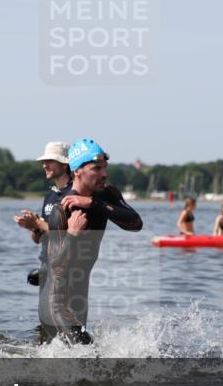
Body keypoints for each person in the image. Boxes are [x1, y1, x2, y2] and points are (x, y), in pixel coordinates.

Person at [42, 139, 142, 345]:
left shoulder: (107, 194)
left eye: (105, 168)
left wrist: (94, 204)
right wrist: (72, 235)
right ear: (77, 170)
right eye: (96, 168)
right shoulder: (63, 209)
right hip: (58, 304)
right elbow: (56, 267)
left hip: (80, 299)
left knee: (81, 368)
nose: (104, 174)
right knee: (88, 357)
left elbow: (135, 224)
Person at [14, 142, 71, 286]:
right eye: (43, 162)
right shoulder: (50, 196)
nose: (44, 165)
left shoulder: (73, 195)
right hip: (47, 269)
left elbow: (68, 238)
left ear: (64, 164)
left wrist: (38, 223)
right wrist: (33, 227)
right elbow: (39, 239)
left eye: (50, 161)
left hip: (66, 274)